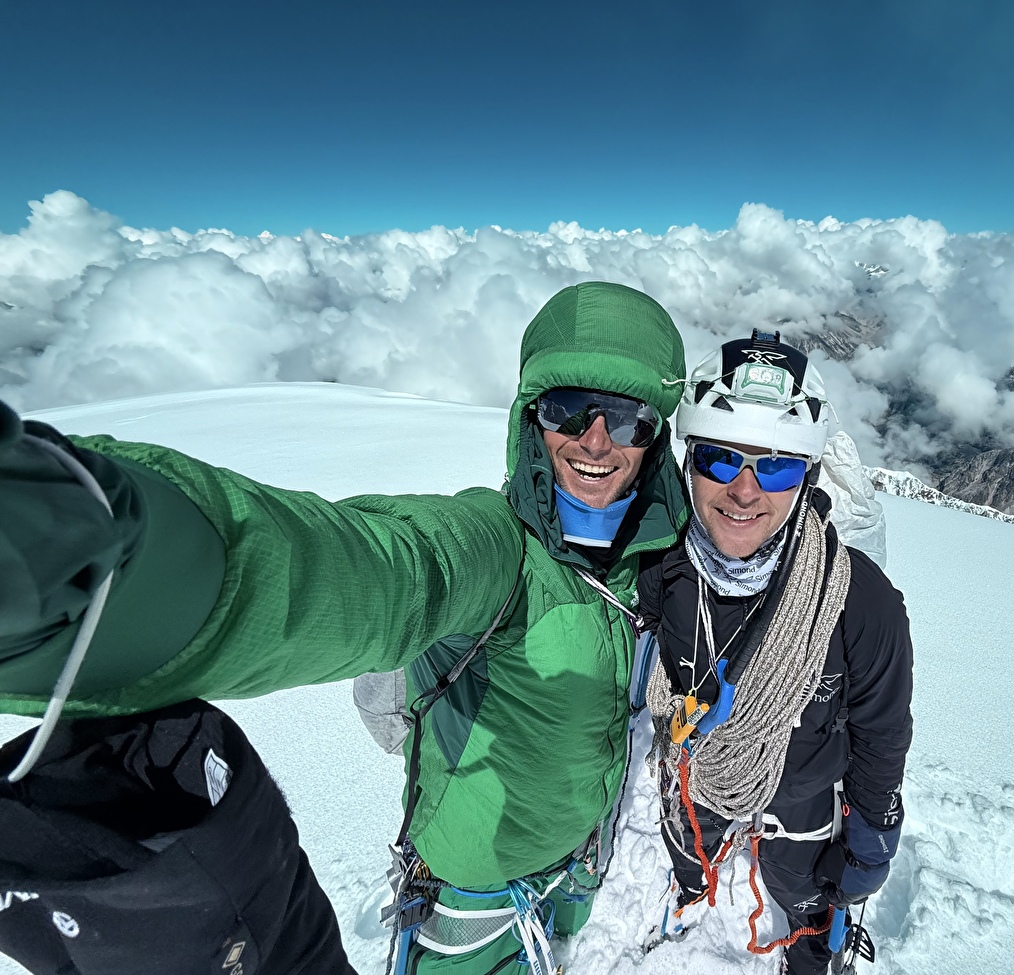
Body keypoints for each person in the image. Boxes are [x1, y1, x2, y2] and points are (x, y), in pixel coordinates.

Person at [0, 281, 691, 975]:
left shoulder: (653, 561)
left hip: (575, 871)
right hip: (473, 903)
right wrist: (94, 559)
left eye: (626, 417)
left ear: (655, 435)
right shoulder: (496, 550)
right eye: (567, 410)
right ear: (531, 419)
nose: (595, 440)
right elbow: (366, 569)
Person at [637, 331, 914, 975]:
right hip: (699, 767)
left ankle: (816, 948)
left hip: (802, 796)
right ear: (690, 464)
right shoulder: (659, 570)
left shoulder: (858, 601)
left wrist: (873, 831)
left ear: (807, 476)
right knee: (691, 837)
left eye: (779, 465)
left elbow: (881, 730)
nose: (745, 490)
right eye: (722, 460)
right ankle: (690, 888)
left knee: (807, 888)